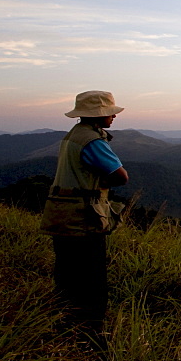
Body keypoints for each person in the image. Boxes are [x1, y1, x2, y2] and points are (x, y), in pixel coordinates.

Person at [40, 90, 129, 346]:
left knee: (67, 277)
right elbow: (121, 176)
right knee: (92, 282)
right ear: (97, 116)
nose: (113, 116)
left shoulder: (72, 136)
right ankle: (90, 339)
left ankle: (64, 331)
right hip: (83, 219)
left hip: (61, 216)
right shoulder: (93, 141)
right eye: (109, 112)